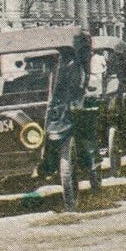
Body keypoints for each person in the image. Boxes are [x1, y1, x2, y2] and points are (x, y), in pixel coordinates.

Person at [41, 32, 92, 212]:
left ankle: (90, 161)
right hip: (52, 109)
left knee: (80, 128)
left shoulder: (73, 69)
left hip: (65, 109)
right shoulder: (48, 72)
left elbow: (78, 87)